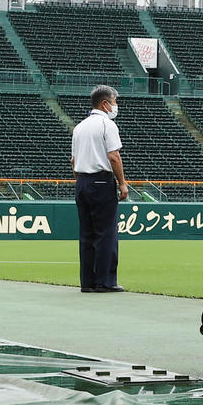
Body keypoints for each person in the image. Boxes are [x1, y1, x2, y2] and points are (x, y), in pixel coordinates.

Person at [72, 85, 130, 292]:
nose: (116, 106)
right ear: (105, 104)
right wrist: (122, 183)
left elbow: (73, 161)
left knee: (86, 234)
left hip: (82, 182)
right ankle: (105, 281)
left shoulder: (79, 127)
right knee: (106, 232)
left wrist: (82, 181)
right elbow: (113, 156)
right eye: (114, 101)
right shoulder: (107, 124)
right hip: (101, 181)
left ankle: (88, 282)